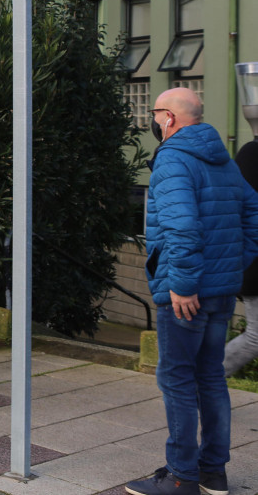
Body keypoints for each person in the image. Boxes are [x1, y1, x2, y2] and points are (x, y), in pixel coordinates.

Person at [125, 88, 258, 495]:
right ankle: (213, 473)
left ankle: (182, 475)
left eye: (154, 112)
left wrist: (182, 284)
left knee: (177, 379)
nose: (151, 118)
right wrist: (232, 266)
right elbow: (253, 215)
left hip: (186, 292)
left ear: (168, 118)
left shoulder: (173, 159)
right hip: (219, 289)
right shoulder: (223, 159)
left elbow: (181, 228)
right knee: (211, 378)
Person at [223, 139, 258, 377]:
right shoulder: (252, 154)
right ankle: (204, 383)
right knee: (256, 338)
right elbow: (238, 211)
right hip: (255, 264)